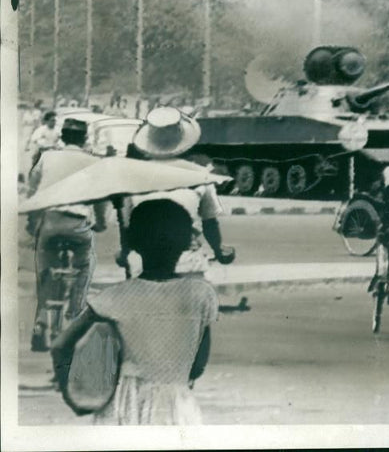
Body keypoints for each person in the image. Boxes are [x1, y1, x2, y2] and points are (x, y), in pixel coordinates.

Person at [52, 199, 218, 425]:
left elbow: (61, 345)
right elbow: (197, 366)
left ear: (133, 243)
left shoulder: (113, 298)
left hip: (122, 405)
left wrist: (75, 397)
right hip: (176, 406)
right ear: (186, 242)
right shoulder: (200, 296)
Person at [122, 107, 234, 278]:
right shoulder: (199, 177)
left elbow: (127, 226)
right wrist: (218, 250)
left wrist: (124, 254)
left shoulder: (133, 178)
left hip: (143, 264)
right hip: (187, 261)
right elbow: (210, 223)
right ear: (183, 140)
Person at [28, 118, 107, 352]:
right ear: (84, 139)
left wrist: (33, 225)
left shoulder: (46, 158)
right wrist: (101, 223)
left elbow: (33, 193)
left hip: (50, 223)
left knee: (44, 270)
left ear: (62, 136)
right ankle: (74, 313)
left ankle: (42, 322)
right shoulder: (93, 161)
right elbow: (101, 197)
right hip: (78, 225)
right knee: (85, 265)